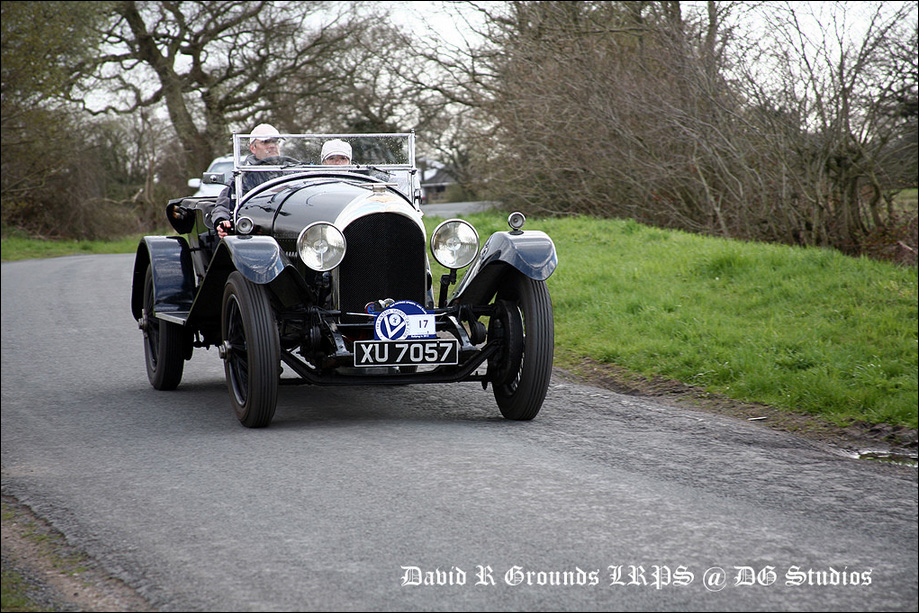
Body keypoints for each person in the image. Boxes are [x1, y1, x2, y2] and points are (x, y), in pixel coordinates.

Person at [209, 123, 283, 238]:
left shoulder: (293, 171)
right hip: (257, 233)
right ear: (253, 148)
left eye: (275, 141)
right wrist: (221, 221)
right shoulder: (243, 177)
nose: (272, 146)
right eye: (266, 142)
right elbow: (222, 206)